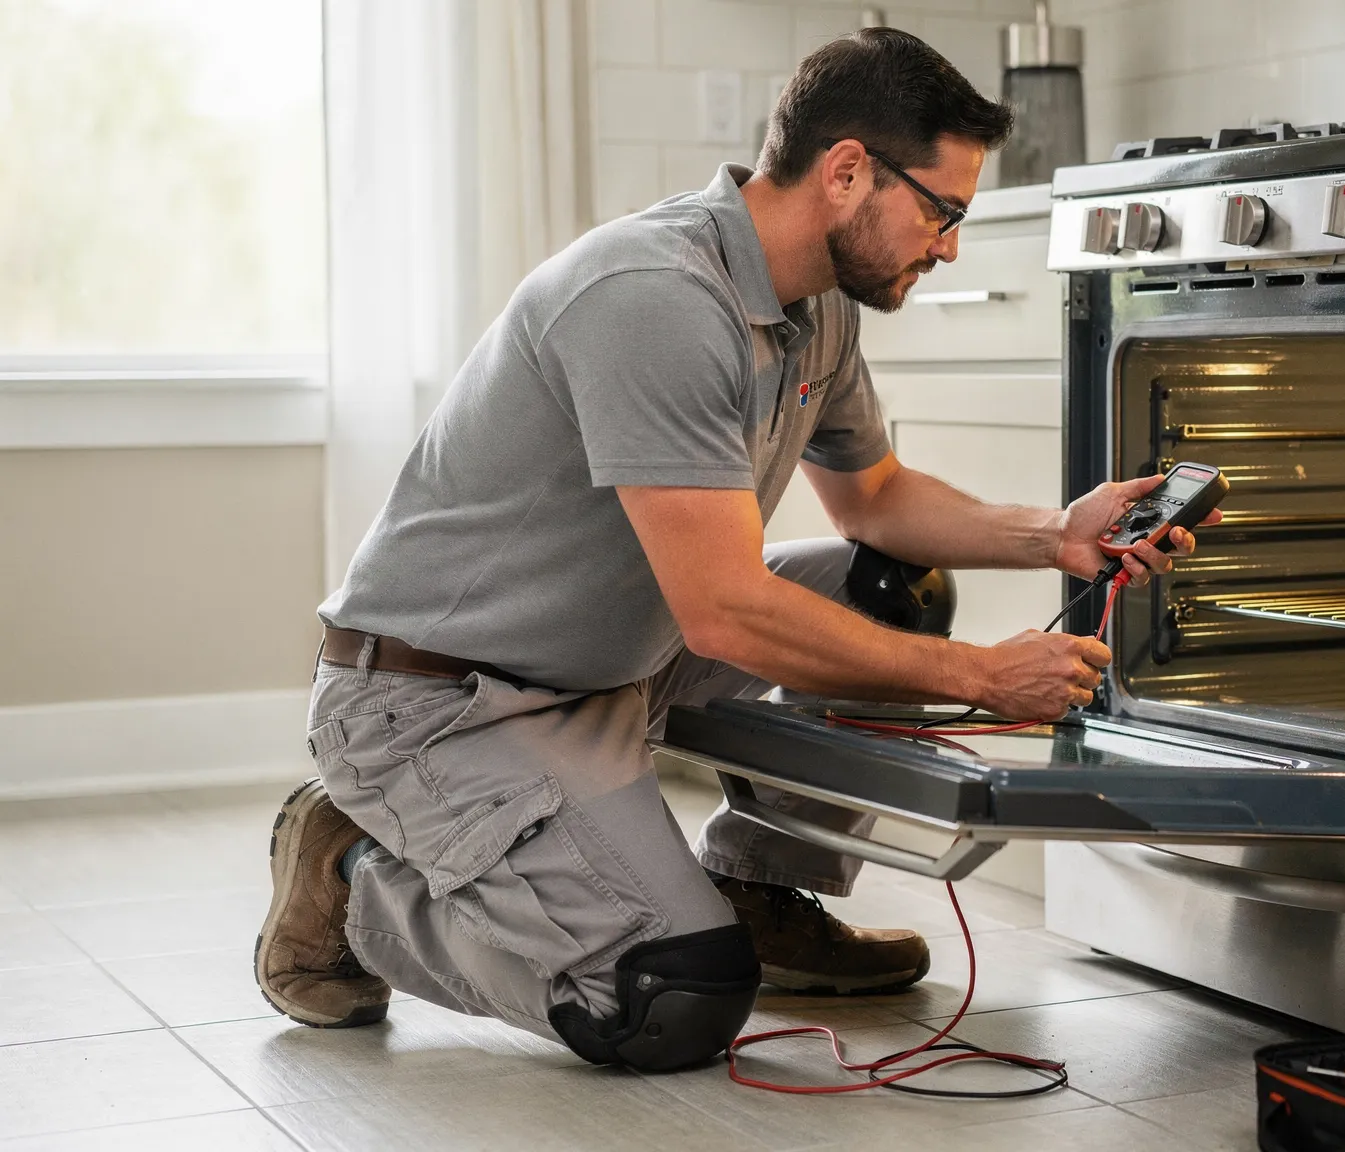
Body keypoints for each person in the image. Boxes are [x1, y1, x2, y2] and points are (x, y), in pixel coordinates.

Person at [253, 27, 1207, 1073]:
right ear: (846, 171)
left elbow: (874, 503)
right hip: (442, 702)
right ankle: (351, 882)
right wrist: (979, 677)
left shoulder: (817, 309)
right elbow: (726, 611)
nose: (947, 247)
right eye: (941, 212)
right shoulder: (654, 297)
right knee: (664, 1002)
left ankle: (760, 888)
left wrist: (1051, 536)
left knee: (892, 589)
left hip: (619, 659)